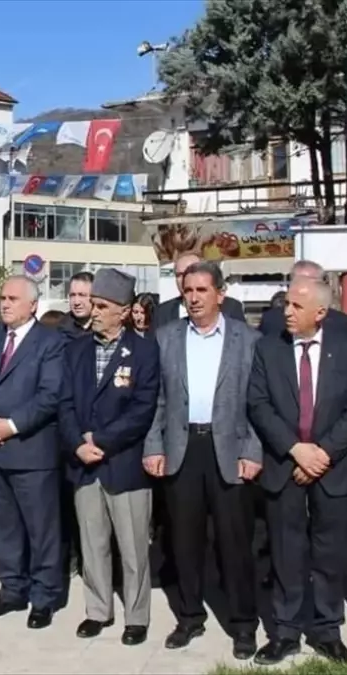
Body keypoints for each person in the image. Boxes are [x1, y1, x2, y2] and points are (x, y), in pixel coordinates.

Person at [247, 277, 347, 665]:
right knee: (285, 551)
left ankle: (327, 630)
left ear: (321, 313)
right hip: (285, 464)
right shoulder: (268, 349)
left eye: (296, 306)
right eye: (286, 304)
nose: (287, 311)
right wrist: (297, 450)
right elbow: (258, 404)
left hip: (332, 469)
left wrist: (323, 454)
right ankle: (285, 631)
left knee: (329, 552)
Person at [144, 260, 263, 659]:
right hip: (183, 448)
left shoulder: (248, 340)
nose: (193, 298)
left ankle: (244, 624)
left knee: (235, 543)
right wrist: (154, 446)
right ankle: (190, 616)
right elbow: (155, 401)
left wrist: (252, 451)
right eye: (188, 291)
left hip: (229, 448)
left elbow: (258, 404)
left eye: (201, 291)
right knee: (184, 542)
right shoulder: (166, 338)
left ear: (220, 294)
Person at [61, 269, 159, 646]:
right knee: (92, 543)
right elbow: (64, 404)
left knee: (133, 548)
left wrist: (101, 439)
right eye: (94, 304)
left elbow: (142, 409)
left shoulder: (145, 350)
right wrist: (77, 444)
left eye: (103, 306)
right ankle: (97, 610)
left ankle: (137, 617)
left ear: (124, 311)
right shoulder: (77, 349)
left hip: (124, 464)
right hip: (85, 465)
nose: (94, 310)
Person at [0, 275, 66, 629]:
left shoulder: (50, 342)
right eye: (2, 297)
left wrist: (10, 425)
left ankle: (44, 596)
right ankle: (12, 590)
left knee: (41, 529)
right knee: (3, 527)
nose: (4, 304)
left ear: (33, 305)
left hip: (30, 451)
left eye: (12, 298)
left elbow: (50, 395)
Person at [258, 261, 347, 338]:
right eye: (297, 282)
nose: (301, 288)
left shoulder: (340, 322)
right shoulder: (271, 320)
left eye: (308, 283)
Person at [153, 253, 246, 327]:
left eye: (189, 272)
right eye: (179, 275)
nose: (184, 278)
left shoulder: (231, 307)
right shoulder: (161, 312)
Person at [60, 271, 94, 338]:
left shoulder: (106, 329)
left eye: (82, 295)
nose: (76, 302)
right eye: (72, 295)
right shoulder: (57, 331)